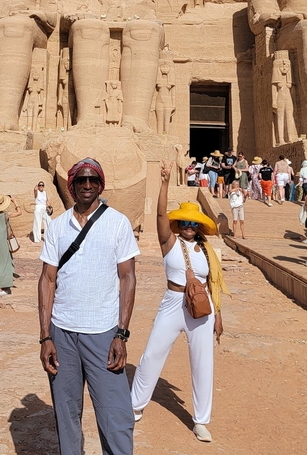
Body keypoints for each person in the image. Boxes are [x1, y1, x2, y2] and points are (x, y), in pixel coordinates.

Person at [38, 158, 139, 455]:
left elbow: (128, 278)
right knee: (66, 413)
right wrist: (45, 337)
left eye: (92, 180)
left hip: (103, 333)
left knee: (115, 416)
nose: (87, 185)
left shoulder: (117, 222)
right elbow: (47, 280)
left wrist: (121, 334)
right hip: (62, 333)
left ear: (100, 185)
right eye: (80, 180)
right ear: (71, 185)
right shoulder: (58, 226)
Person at [131, 163, 228, 443]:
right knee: (152, 353)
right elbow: (161, 214)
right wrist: (165, 182)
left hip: (202, 308)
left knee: (202, 362)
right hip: (174, 302)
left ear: (199, 226)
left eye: (193, 223)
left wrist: (218, 315)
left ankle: (201, 420)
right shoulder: (170, 243)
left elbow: (214, 284)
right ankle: (135, 404)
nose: (188, 227)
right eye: (184, 222)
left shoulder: (208, 251)